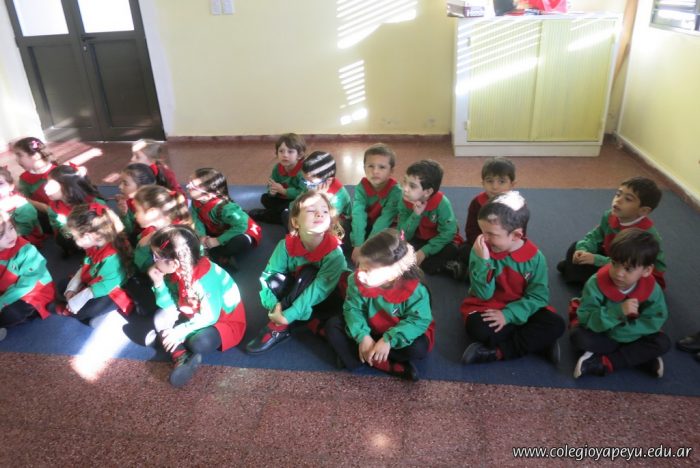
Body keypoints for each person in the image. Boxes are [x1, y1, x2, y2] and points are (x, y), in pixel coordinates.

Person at [460, 191, 565, 364]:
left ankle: (498, 352)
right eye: (482, 231)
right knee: (477, 328)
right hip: (488, 305)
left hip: (522, 307)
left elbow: (538, 297)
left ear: (516, 235)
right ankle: (537, 343)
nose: (484, 238)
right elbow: (483, 294)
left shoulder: (535, 258)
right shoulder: (481, 250)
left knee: (556, 324)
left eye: (492, 234)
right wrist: (483, 261)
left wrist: (508, 315)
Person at [245, 191, 348, 354]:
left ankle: (279, 327)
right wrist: (274, 306)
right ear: (295, 222)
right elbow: (268, 276)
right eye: (311, 210)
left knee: (309, 273)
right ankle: (288, 318)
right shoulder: (285, 245)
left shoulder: (334, 253)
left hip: (328, 298)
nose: (319, 213)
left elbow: (319, 290)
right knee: (275, 280)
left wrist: (287, 315)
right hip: (299, 293)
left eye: (324, 211)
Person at [325, 229, 433, 381]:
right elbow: (353, 310)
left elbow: (418, 321)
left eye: (367, 270)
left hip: (395, 333)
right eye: (360, 266)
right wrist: (363, 337)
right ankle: (386, 364)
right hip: (368, 329)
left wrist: (388, 340)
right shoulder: (356, 280)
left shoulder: (415, 291)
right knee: (332, 325)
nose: (360, 273)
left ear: (392, 275)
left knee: (419, 348)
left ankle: (360, 356)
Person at [148, 225, 247, 387]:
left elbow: (210, 317)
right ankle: (181, 356)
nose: (153, 261)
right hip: (193, 316)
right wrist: (159, 284)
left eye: (155, 257)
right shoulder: (176, 272)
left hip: (222, 322)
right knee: (160, 317)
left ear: (174, 263)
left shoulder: (205, 278)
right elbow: (170, 305)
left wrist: (178, 331)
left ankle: (176, 345)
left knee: (200, 343)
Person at [570, 228, 671, 378]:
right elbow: (586, 318)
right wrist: (616, 312)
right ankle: (638, 358)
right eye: (614, 263)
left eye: (628, 269)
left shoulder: (652, 289)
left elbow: (654, 320)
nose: (618, 273)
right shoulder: (595, 283)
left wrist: (624, 333)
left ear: (646, 270)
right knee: (579, 337)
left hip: (633, 334)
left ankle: (605, 361)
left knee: (663, 342)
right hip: (604, 332)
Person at [557, 176, 666, 288]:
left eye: (628, 199)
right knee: (575, 247)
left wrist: (596, 260)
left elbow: (627, 265)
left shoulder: (644, 234)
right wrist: (583, 249)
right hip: (613, 258)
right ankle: (585, 277)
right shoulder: (610, 215)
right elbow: (595, 236)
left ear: (643, 210)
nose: (618, 200)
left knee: (616, 276)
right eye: (618, 194)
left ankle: (583, 278)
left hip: (633, 269)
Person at [55, 203, 134, 326]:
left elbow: (106, 285)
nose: (74, 240)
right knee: (63, 285)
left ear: (88, 236)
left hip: (112, 290)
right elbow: (86, 265)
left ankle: (87, 316)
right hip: (95, 279)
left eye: (75, 237)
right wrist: (73, 287)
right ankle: (78, 309)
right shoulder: (95, 244)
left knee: (83, 310)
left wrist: (79, 298)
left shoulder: (112, 257)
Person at [126, 185, 194, 316]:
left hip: (170, 289)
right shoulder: (154, 231)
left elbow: (142, 265)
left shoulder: (172, 240)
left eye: (137, 210)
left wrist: (143, 247)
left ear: (152, 212)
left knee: (133, 285)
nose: (135, 215)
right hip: (158, 280)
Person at [446, 157, 516, 281]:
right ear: (483, 183)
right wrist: (485, 246)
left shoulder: (517, 205)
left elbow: (520, 233)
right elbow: (471, 230)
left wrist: (502, 246)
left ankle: (483, 274)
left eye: (501, 181)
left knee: (519, 258)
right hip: (483, 244)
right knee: (464, 251)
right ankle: (485, 274)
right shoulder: (477, 203)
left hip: (505, 247)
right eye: (489, 181)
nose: (495, 187)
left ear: (512, 184)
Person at [397, 159, 462, 275]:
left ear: (427, 192)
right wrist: (415, 215)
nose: (405, 189)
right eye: (404, 182)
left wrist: (424, 252)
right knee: (398, 247)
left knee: (452, 249)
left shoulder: (442, 203)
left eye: (412, 186)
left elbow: (448, 233)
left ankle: (435, 266)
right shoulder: (405, 200)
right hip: (417, 239)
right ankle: (441, 267)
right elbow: (403, 234)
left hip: (438, 241)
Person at [187, 167, 262, 267]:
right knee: (190, 233)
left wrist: (218, 241)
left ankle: (218, 254)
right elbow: (197, 219)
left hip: (242, 230)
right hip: (217, 230)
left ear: (208, 195)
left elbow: (242, 226)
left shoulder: (226, 208)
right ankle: (219, 254)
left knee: (241, 241)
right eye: (189, 183)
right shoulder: (196, 200)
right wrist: (202, 236)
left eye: (193, 187)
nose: (188, 187)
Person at [0, 215, 55, 342]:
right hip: (6, 291)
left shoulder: (27, 250)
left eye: (11, 228)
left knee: (12, 312)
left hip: (33, 292)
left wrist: (1, 302)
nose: (10, 235)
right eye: (1, 234)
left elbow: (26, 285)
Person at [349, 143, 402, 266]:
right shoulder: (361, 187)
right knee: (341, 228)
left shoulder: (395, 191)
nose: (375, 171)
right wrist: (358, 244)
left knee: (394, 240)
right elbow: (358, 215)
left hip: (386, 227)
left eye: (382, 167)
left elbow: (385, 219)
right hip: (366, 224)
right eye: (370, 166)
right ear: (364, 168)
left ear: (391, 171)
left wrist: (367, 247)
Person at [44, 164, 106, 256]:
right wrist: (68, 231)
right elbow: (56, 226)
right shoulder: (54, 207)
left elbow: (105, 228)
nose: (45, 188)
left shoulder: (95, 204)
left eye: (52, 185)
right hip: (73, 236)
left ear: (68, 187)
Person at [248, 133, 307, 224]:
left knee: (291, 208)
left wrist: (284, 191)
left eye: (290, 152)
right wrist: (272, 192)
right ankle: (281, 215)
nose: (285, 155)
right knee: (265, 198)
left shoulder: (303, 172)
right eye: (281, 151)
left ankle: (268, 215)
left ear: (299, 155)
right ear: (277, 153)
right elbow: (271, 184)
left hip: (296, 201)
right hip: (282, 199)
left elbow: (303, 193)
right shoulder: (277, 168)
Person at [12, 136, 57, 233]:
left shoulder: (58, 172)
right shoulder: (25, 178)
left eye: (19, 155)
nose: (17, 160)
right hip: (44, 217)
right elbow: (26, 200)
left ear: (36, 156)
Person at [0, 166, 45, 245]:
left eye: (0, 183)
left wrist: (6, 220)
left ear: (11, 186)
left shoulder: (22, 205)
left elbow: (26, 230)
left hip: (28, 242)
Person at [115, 163, 156, 243]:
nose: (120, 187)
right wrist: (124, 215)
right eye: (121, 182)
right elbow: (129, 231)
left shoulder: (153, 207)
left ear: (142, 188)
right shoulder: (129, 202)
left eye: (125, 184)